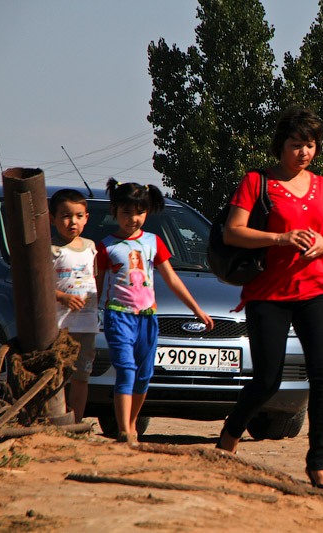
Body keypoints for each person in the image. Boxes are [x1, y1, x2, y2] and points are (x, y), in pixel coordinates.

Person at [217, 106, 323, 491]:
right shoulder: (256, 182)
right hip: (268, 293)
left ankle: (318, 464)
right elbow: (232, 232)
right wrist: (280, 239)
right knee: (268, 378)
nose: (304, 152)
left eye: (310, 145)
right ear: (281, 146)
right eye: (296, 144)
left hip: (317, 290)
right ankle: (229, 438)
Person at [96, 179, 214, 444]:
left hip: (148, 318)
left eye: (139, 212)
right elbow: (97, 286)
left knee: (144, 374)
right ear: (115, 211)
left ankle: (132, 422)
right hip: (119, 316)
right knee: (126, 369)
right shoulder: (106, 246)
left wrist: (197, 310)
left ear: (146, 212)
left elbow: (172, 280)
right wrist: (90, 314)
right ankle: (124, 430)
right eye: (126, 212)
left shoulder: (153, 242)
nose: (133, 218)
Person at [49, 189, 98, 423]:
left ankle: (76, 422)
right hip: (59, 326)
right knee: (57, 375)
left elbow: (95, 279)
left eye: (79, 216)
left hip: (86, 325)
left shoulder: (90, 247)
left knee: (81, 376)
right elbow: (39, 286)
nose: (73, 222)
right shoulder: (50, 249)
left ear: (86, 217)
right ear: (52, 218)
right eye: (66, 216)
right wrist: (61, 297)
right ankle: (57, 421)